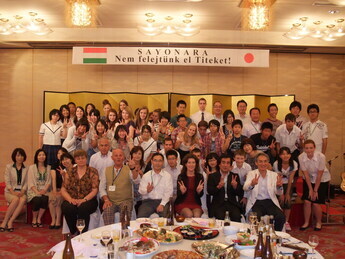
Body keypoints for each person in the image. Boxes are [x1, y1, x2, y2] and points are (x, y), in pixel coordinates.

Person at [243, 153, 285, 231]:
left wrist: (279, 186)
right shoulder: (251, 174)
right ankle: (259, 238)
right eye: (260, 161)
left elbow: (279, 193)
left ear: (268, 162)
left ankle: (275, 235)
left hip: (270, 201)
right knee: (257, 218)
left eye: (265, 161)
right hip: (256, 202)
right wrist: (252, 184)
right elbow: (245, 187)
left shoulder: (274, 175)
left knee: (281, 217)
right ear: (256, 163)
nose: (263, 164)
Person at [61, 150, 99, 234]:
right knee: (67, 207)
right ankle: (73, 231)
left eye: (83, 158)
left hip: (89, 200)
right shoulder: (70, 172)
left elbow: (95, 190)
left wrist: (83, 200)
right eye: (78, 158)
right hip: (72, 199)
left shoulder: (93, 171)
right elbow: (63, 189)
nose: (81, 160)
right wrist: (70, 199)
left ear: (86, 159)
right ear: (75, 160)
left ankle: (83, 233)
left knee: (83, 208)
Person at [100, 149, 141, 225]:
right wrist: (106, 200)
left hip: (126, 200)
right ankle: (110, 235)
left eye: (120, 155)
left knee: (125, 211)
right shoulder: (106, 170)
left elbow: (136, 181)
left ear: (124, 158)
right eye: (116, 155)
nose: (118, 157)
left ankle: (124, 234)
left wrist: (133, 168)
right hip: (111, 201)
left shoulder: (129, 169)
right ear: (112, 158)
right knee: (107, 211)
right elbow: (101, 187)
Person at [299, 140, 331, 231]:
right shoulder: (301, 157)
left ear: (314, 148)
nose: (309, 150)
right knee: (307, 201)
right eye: (307, 148)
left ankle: (318, 222)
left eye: (311, 148)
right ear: (304, 148)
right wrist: (310, 189)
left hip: (322, 179)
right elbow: (305, 174)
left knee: (316, 202)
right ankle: (306, 222)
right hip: (308, 179)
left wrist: (315, 190)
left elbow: (319, 175)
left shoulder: (321, 156)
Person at [207, 154, 243, 222]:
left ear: (231, 166)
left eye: (228, 163)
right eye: (223, 162)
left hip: (232, 203)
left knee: (236, 216)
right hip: (218, 204)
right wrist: (218, 187)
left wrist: (235, 186)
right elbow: (210, 191)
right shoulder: (212, 176)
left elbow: (240, 193)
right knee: (220, 217)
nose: (225, 165)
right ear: (219, 164)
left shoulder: (235, 176)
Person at [0, 148, 28, 232]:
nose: (20, 157)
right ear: (14, 157)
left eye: (21, 155)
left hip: (21, 192)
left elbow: (27, 182)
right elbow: (7, 181)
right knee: (15, 199)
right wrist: (13, 192)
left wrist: (23, 191)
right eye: (18, 155)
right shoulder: (9, 167)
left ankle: (10, 221)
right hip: (10, 191)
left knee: (22, 200)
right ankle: (4, 221)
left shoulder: (27, 168)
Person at [138, 153, 173, 218]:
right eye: (155, 160)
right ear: (151, 161)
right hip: (148, 202)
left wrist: (162, 204)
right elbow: (140, 190)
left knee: (166, 218)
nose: (157, 163)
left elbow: (169, 192)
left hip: (163, 201)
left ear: (163, 162)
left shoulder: (167, 176)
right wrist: (147, 190)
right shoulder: (146, 175)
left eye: (160, 161)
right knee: (141, 216)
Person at [273, 147, 298, 231]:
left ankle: (286, 221)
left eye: (287, 153)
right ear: (280, 155)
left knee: (287, 202)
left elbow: (291, 178)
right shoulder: (276, 164)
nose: (285, 156)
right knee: (280, 201)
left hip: (288, 183)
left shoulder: (294, 163)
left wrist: (287, 193)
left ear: (290, 155)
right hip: (278, 183)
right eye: (283, 154)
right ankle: (279, 221)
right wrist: (281, 194)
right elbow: (278, 178)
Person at [27, 149, 52, 228]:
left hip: (45, 190)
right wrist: (37, 192)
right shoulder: (32, 168)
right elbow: (30, 182)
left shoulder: (48, 167)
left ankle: (39, 219)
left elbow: (49, 181)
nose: (42, 157)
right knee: (37, 200)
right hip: (33, 190)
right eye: (39, 155)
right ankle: (34, 219)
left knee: (45, 199)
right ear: (36, 157)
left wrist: (44, 190)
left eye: (43, 155)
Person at [48, 147, 68, 229]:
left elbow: (66, 181)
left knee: (59, 198)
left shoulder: (67, 165)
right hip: (56, 188)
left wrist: (62, 191)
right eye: (58, 153)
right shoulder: (54, 164)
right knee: (52, 197)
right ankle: (53, 220)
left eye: (62, 153)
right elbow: (53, 178)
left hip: (65, 189)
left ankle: (58, 221)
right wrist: (54, 191)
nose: (60, 155)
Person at [128, 146, 145, 215]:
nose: (137, 156)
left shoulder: (145, 166)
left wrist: (142, 174)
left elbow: (149, 179)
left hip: (142, 193)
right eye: (135, 153)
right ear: (131, 154)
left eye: (139, 154)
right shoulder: (126, 165)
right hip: (129, 191)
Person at [204, 152, 219, 217]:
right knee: (210, 214)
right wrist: (208, 176)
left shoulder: (220, 172)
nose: (212, 162)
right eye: (210, 160)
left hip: (217, 196)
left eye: (214, 160)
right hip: (208, 196)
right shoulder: (204, 172)